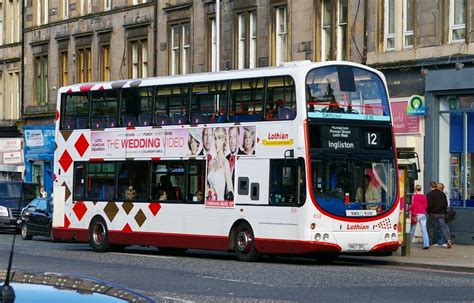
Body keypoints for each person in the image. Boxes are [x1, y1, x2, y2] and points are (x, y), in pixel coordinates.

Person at [207, 127, 234, 201]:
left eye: (219, 139)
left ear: (223, 141)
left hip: (220, 203)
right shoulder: (211, 162)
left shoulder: (225, 162)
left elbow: (229, 187)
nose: (216, 142)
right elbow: (207, 185)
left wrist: (230, 196)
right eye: (215, 138)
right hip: (209, 204)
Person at [427, 181, 452, 249]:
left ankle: (429, 242)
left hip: (432, 214)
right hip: (441, 214)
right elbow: (445, 204)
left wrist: (429, 212)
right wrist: (443, 212)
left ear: (431, 187)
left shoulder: (429, 194)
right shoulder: (443, 194)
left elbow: (429, 205)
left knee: (430, 227)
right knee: (443, 228)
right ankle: (448, 240)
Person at [409, 185, 430, 249]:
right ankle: (426, 244)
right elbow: (426, 205)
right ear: (420, 189)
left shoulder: (414, 196)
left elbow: (413, 205)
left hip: (416, 214)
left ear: (415, 189)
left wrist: (408, 210)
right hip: (423, 214)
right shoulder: (424, 196)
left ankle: (408, 243)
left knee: (412, 228)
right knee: (424, 229)